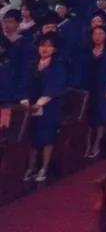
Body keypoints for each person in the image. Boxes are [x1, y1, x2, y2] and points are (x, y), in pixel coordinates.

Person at [20, 33, 66, 182]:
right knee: (32, 138)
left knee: (47, 138)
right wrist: (25, 101)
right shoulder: (32, 65)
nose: (44, 49)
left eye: (48, 46)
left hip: (49, 107)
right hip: (30, 108)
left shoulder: (57, 67)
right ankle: (31, 167)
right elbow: (25, 84)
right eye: (42, 45)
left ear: (54, 49)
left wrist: (39, 103)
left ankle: (44, 168)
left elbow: (54, 87)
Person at [78, 24, 106, 159]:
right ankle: (87, 145)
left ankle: (96, 145)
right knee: (88, 119)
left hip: (103, 89)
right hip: (88, 88)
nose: (97, 36)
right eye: (95, 34)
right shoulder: (86, 53)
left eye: (100, 34)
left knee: (100, 118)